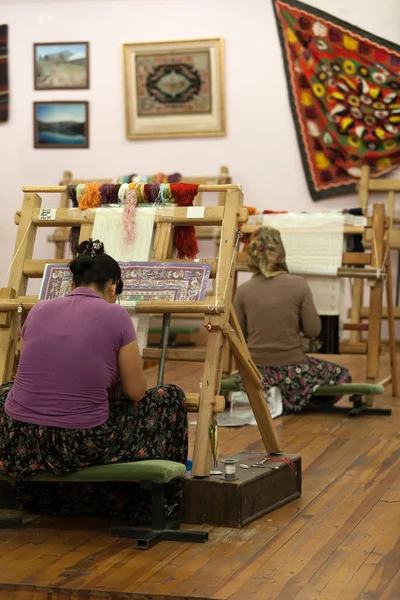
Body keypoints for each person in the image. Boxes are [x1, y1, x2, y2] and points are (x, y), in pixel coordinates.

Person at [0, 239, 187, 523]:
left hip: (22, 439)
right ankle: (152, 507)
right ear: (113, 287)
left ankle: (35, 498)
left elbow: (30, 367)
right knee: (169, 397)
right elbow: (136, 392)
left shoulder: (38, 309)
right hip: (78, 444)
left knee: (6, 392)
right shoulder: (116, 314)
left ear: (72, 283)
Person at [233, 227, 351, 413]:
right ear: (280, 252)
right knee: (342, 375)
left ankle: (271, 399)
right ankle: (297, 401)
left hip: (255, 374)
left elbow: (238, 335)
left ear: (252, 254)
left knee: (247, 378)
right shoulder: (299, 285)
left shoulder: (243, 290)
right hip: (294, 372)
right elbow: (313, 330)